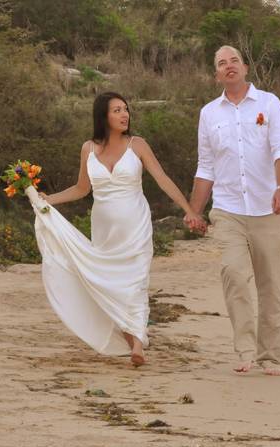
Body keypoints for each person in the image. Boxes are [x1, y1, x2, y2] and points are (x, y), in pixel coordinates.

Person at [36, 91, 194, 366]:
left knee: (135, 280)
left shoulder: (138, 145)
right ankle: (129, 336)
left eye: (126, 109)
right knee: (110, 281)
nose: (124, 115)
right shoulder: (89, 148)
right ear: (103, 116)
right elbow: (82, 189)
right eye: (117, 110)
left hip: (135, 223)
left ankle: (138, 344)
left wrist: (189, 210)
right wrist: (48, 200)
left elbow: (162, 179)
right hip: (105, 227)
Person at [185, 45, 280, 376]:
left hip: (267, 209)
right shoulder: (209, 114)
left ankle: (270, 356)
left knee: (270, 285)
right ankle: (245, 350)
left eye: (234, 60)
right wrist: (194, 211)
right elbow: (206, 167)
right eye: (222, 63)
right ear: (216, 74)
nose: (229, 66)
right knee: (234, 275)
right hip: (228, 208)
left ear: (245, 67)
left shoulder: (269, 103)